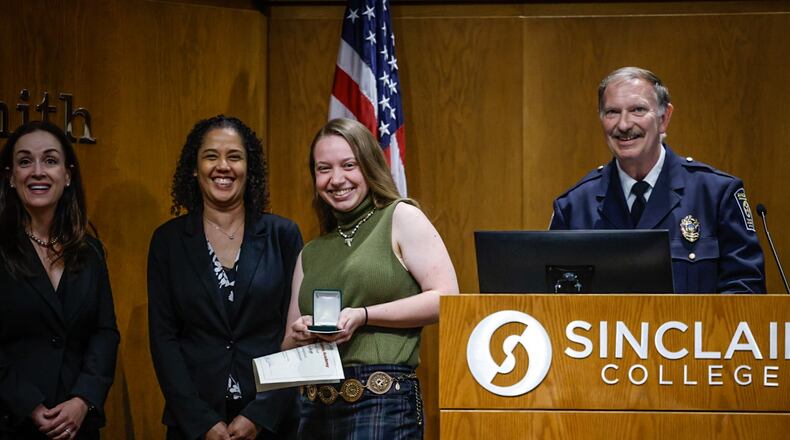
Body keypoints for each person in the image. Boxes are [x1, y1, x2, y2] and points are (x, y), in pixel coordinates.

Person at [282, 118, 459, 439]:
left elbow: (446, 298)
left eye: (348, 165)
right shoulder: (310, 252)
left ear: (369, 165)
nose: (336, 179)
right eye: (324, 169)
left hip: (383, 402)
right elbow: (286, 347)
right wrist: (299, 334)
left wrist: (363, 316)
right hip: (313, 409)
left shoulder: (400, 216)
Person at [147, 115, 302, 440]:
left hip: (271, 422)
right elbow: (164, 339)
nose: (223, 166)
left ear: (249, 169)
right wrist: (200, 420)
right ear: (194, 167)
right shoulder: (168, 241)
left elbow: (295, 334)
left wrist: (261, 413)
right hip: (194, 423)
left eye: (234, 156)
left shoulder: (283, 235)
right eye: (211, 156)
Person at [550, 66, 765, 293]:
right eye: (612, 112)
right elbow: (555, 299)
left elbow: (746, 291)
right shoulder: (574, 206)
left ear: (664, 118)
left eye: (638, 110)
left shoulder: (716, 194)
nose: (623, 124)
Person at [0, 121, 119, 440]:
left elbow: (104, 332)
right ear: (11, 176)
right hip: (11, 420)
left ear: (67, 175)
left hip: (78, 424)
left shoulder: (90, 249)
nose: (37, 171)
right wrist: (28, 403)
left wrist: (83, 400)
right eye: (25, 161)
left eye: (50, 160)